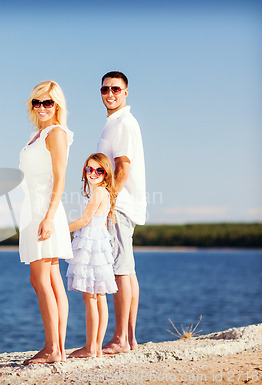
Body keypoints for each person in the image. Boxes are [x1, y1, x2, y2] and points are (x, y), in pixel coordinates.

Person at [19, 80, 74, 364]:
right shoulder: (37, 135)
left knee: (40, 279)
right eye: (36, 102)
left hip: (44, 210)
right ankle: (58, 348)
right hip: (33, 209)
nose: (41, 108)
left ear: (57, 105)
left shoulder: (56, 133)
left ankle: (53, 348)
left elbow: (60, 177)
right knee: (51, 280)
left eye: (47, 102)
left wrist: (49, 216)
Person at [96, 71, 147, 354]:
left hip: (119, 206)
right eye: (105, 89)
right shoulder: (113, 123)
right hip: (122, 205)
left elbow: (123, 168)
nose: (110, 94)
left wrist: (108, 202)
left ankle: (120, 339)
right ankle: (128, 337)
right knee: (127, 269)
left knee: (120, 270)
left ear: (126, 92)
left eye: (116, 89)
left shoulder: (124, 123)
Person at [66, 153, 118, 358]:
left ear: (106, 174)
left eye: (99, 170)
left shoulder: (98, 193)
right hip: (99, 244)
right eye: (89, 169)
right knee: (99, 297)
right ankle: (96, 347)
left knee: (91, 297)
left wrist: (61, 229)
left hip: (91, 245)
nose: (93, 173)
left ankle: (90, 347)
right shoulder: (103, 193)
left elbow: (86, 219)